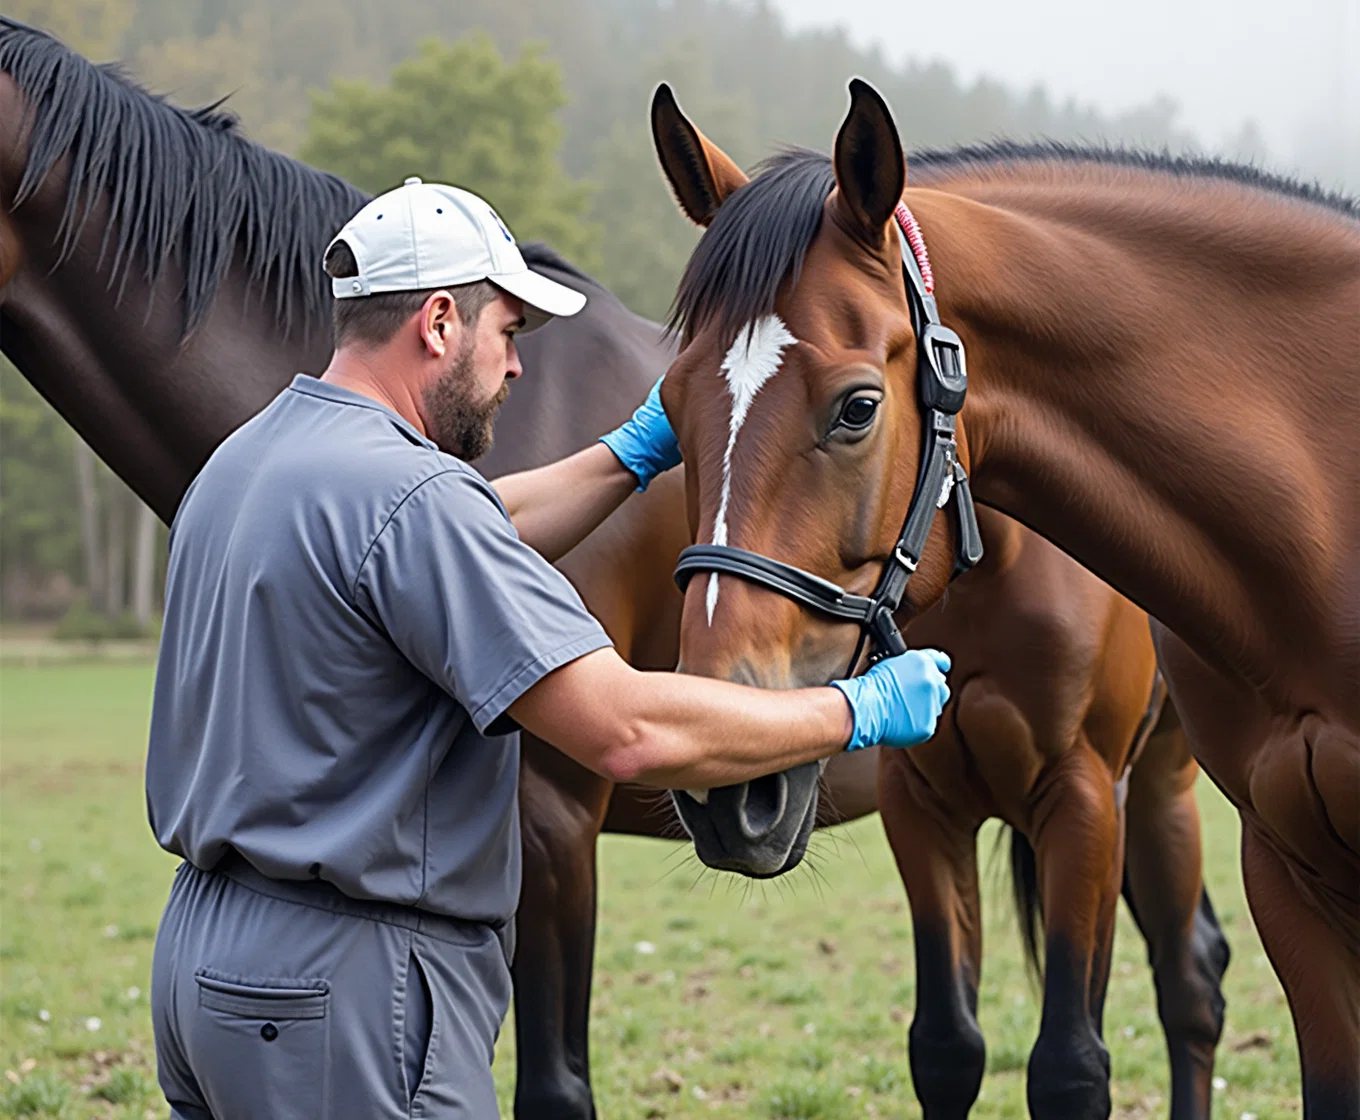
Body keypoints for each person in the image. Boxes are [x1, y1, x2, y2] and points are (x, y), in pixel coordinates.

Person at [145, 178, 951, 1119]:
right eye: (510, 333)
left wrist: (630, 453)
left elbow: (473, 526)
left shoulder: (249, 466)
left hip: (208, 964)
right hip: (349, 987)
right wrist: (854, 711)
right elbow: (625, 732)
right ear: (441, 322)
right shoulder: (413, 503)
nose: (519, 367)